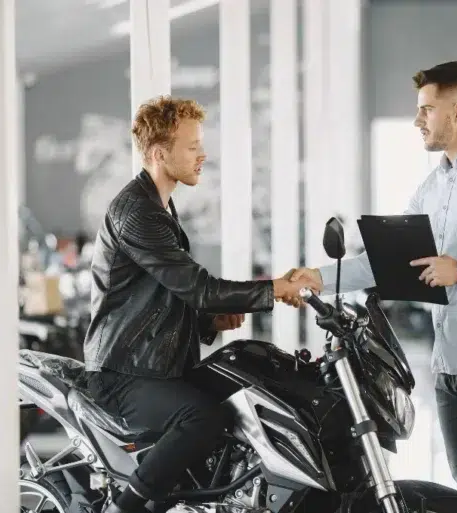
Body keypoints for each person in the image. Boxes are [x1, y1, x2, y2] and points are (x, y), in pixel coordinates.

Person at [286, 61, 457, 513]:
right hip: (451, 359)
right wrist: (319, 277)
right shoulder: (432, 187)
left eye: (426, 110)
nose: (418, 121)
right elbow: (389, 262)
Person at [83, 95, 318, 513]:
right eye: (192, 147)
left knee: (249, 376)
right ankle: (128, 505)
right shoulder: (137, 212)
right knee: (203, 417)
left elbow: (166, 296)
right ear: (159, 154)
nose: (202, 155)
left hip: (154, 363)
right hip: (123, 373)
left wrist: (210, 322)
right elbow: (198, 288)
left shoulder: (159, 205)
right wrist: (273, 289)